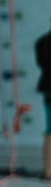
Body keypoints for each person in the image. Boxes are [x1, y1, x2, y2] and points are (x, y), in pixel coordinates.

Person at [37, 26, 51, 179]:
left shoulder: (42, 42)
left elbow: (41, 64)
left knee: (50, 131)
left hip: (48, 88)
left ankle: (48, 170)